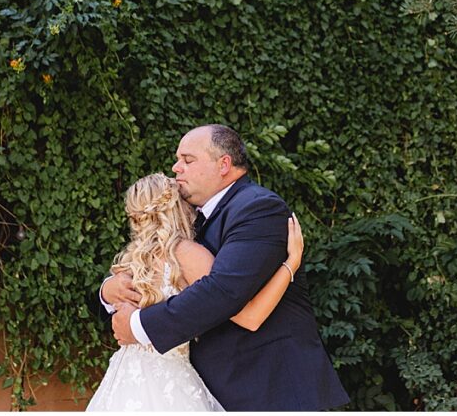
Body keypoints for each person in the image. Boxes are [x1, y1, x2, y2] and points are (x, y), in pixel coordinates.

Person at [101, 125, 349, 411]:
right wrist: (109, 291)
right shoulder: (186, 222)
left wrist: (139, 325)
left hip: (269, 389)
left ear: (224, 164)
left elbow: (222, 292)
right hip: (199, 388)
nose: (176, 167)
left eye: (187, 159)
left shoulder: (257, 208)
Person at [87, 172, 304, 411]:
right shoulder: (187, 253)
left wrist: (107, 290)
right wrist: (291, 263)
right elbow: (249, 316)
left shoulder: (133, 259)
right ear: (179, 207)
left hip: (125, 378)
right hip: (171, 382)